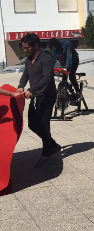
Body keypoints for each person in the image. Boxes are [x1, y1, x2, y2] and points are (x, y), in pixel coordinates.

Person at [18, 33, 62, 167]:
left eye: (27, 48)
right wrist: (21, 86)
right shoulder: (28, 58)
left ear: (36, 45)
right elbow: (25, 75)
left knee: (43, 123)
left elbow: (47, 78)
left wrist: (32, 89)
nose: (25, 50)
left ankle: (46, 153)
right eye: (24, 48)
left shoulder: (46, 57)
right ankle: (52, 144)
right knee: (32, 124)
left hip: (47, 95)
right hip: (36, 95)